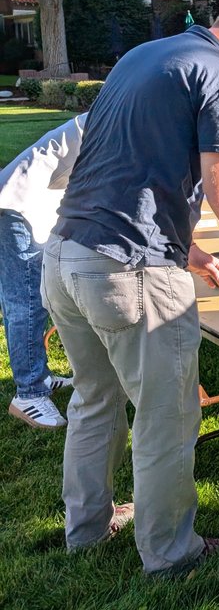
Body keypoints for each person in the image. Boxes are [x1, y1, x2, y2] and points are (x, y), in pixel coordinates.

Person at [44, 0, 219, 575]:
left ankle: (86, 529)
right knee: (167, 417)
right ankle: (171, 555)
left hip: (68, 252)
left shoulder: (147, 55)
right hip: (130, 271)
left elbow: (125, 166)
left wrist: (188, 249)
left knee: (94, 398)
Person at [1, 114, 86, 429]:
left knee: (33, 299)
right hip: (17, 206)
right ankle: (29, 394)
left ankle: (40, 377)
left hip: (33, 203)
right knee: (25, 301)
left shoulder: (116, 114)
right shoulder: (114, 121)